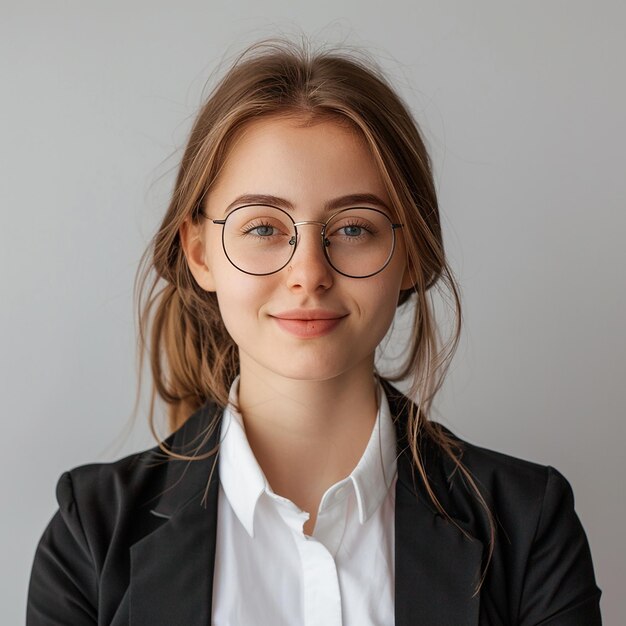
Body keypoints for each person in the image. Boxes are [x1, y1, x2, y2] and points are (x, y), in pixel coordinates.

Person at [27, 40, 602, 625]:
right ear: (200, 253)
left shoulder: (529, 526)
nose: (309, 274)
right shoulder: (89, 535)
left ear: (411, 254)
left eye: (353, 228)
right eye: (263, 228)